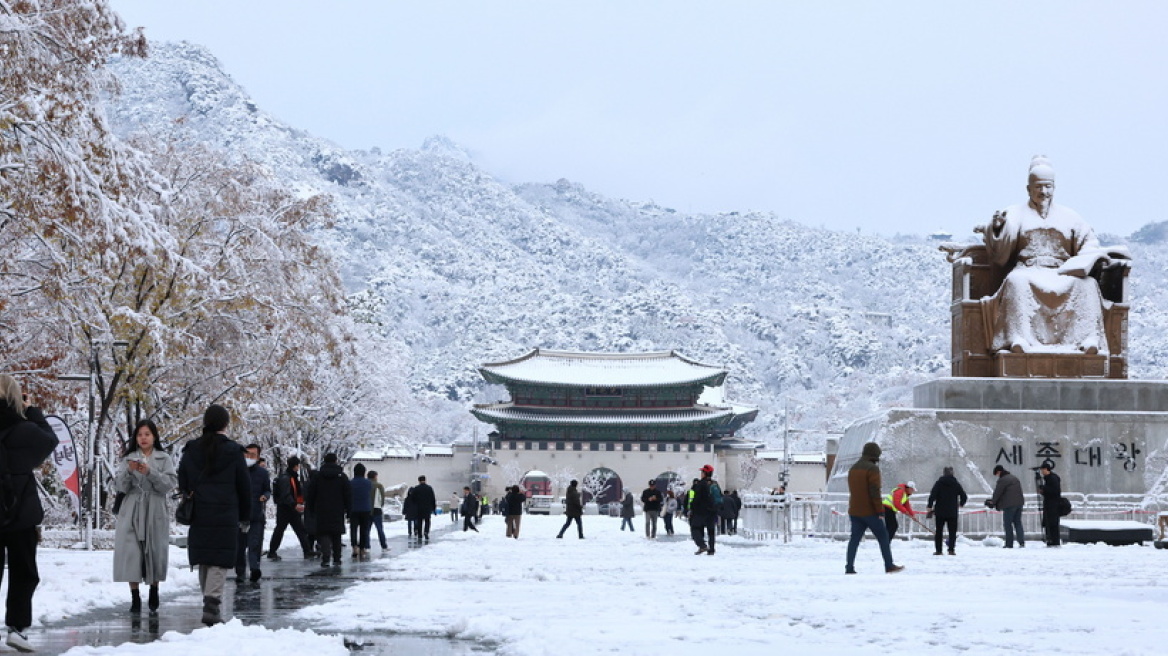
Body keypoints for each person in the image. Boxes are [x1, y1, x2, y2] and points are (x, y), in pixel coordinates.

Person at [978, 156, 1127, 354]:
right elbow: (1002, 243)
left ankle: (1087, 339)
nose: (1043, 191)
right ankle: (1018, 338)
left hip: (1062, 271)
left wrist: (1091, 257)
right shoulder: (1015, 213)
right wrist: (997, 228)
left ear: (1054, 188)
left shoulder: (1070, 216)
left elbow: (1089, 243)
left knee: (1088, 285)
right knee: (1016, 282)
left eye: (1048, 186)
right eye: (1038, 186)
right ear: (1028, 188)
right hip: (1029, 269)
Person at [177, 404, 250, 626]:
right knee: (219, 560)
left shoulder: (191, 449)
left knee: (206, 560)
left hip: (200, 512)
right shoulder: (234, 451)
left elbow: (183, 480)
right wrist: (246, 515)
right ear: (225, 425)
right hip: (226, 513)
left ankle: (208, 602)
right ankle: (212, 605)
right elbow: (244, 486)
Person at [0, 375, 59, 652]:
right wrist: (33, 411)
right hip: (19, 507)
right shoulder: (24, 429)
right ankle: (17, 627)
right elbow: (49, 440)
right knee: (23, 570)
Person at [112, 419, 177, 614]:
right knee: (131, 551)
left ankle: (154, 589)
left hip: (155, 507)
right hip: (132, 507)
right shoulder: (128, 458)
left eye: (147, 434)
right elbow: (120, 486)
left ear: (154, 436)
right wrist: (129, 472)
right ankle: (134, 596)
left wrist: (150, 472)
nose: (143, 438)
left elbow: (168, 484)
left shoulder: (163, 458)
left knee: (154, 549)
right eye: (140, 435)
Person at [845, 442, 903, 575]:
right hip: (870, 511)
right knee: (883, 537)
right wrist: (880, 510)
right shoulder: (872, 469)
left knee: (854, 540)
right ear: (875, 455)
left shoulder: (853, 468)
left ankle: (849, 567)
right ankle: (889, 565)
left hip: (854, 510)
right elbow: (874, 491)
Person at [306, 453, 351, 566]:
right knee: (336, 533)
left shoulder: (318, 476)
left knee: (324, 533)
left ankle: (326, 558)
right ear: (336, 461)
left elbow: (311, 493)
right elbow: (348, 494)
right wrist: (348, 509)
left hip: (321, 508)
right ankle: (337, 558)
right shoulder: (342, 476)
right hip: (337, 508)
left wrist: (311, 508)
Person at [235, 444, 270, 583]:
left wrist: (265, 496)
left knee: (254, 544)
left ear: (258, 456)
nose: (249, 457)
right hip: (238, 515)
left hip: (256, 515)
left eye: (253, 455)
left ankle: (255, 569)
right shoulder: (236, 470)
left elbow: (267, 489)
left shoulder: (262, 473)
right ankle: (240, 572)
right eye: (247, 454)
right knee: (239, 546)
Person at [267, 456, 313, 560]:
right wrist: (294, 505)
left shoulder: (291, 477)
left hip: (290, 509)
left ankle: (307, 550)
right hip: (286, 509)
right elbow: (286, 494)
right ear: (295, 466)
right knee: (280, 530)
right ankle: (272, 551)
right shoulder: (286, 478)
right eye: (298, 465)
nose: (299, 467)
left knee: (300, 530)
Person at [926, 467, 968, 556]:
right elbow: (964, 496)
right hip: (952, 511)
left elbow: (932, 495)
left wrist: (929, 506)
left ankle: (938, 550)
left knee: (939, 531)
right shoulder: (956, 484)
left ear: (943, 473)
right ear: (952, 473)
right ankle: (951, 550)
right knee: (952, 532)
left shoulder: (939, 483)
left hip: (940, 511)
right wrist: (961, 504)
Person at [986, 464, 1026, 548]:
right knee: (1018, 523)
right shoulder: (1014, 478)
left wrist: (993, 502)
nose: (997, 476)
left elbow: (998, 493)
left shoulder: (1003, 480)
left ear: (999, 472)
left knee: (1008, 524)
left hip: (1009, 505)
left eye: (996, 474)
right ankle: (1021, 542)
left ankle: (1009, 543)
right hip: (1019, 503)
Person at [689, 465, 720, 555]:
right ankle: (711, 549)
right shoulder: (714, 483)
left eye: (702, 472)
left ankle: (702, 546)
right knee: (711, 531)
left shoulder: (701, 484)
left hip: (701, 511)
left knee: (695, 528)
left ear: (705, 473)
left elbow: (696, 498)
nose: (701, 474)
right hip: (712, 511)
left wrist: (692, 508)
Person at [349, 463, 372, 557]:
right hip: (365, 508)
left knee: (353, 529)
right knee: (364, 529)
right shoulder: (368, 483)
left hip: (353, 509)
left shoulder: (350, 483)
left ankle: (354, 546)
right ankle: (362, 548)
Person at [1038, 462, 1062, 546]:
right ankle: (1050, 539)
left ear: (1046, 469)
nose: (1041, 472)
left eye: (1042, 470)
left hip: (1052, 505)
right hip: (1050, 504)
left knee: (1052, 523)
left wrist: (1044, 489)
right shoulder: (1049, 478)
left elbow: (1054, 491)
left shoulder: (1052, 479)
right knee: (1049, 522)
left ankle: (1053, 540)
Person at [411, 474, 437, 541]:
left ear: (419, 481)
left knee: (420, 521)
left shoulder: (416, 488)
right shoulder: (429, 488)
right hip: (427, 508)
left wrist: (415, 506)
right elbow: (433, 499)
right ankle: (426, 532)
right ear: (425, 480)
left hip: (419, 508)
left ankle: (420, 534)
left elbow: (413, 499)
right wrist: (434, 508)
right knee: (427, 520)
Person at [368, 471, 389, 550]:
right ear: (375, 476)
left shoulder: (366, 484)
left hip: (367, 509)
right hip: (377, 509)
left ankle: (366, 545)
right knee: (380, 529)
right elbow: (382, 498)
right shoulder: (379, 485)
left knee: (367, 529)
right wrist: (381, 505)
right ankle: (384, 545)